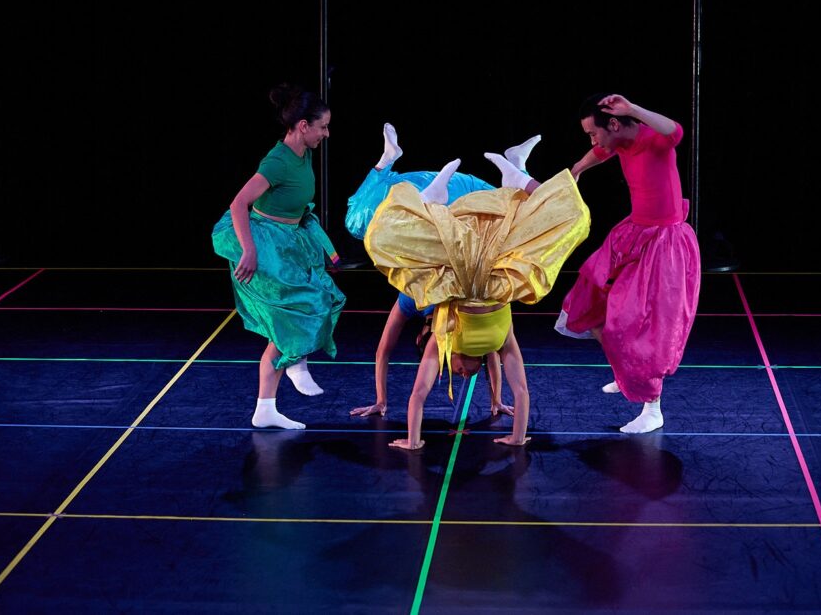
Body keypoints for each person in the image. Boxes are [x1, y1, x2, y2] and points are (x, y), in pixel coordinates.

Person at [364, 149, 591, 450]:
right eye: (469, 374)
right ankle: (517, 180)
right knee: (566, 218)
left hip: (459, 278)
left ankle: (430, 203)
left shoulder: (444, 339)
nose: (464, 375)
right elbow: (521, 392)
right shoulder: (499, 342)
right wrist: (516, 435)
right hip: (499, 277)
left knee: (380, 237)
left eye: (457, 373)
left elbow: (419, 394)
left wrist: (414, 439)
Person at [348, 123, 540, 420]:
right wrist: (496, 401)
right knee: (520, 224)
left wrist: (382, 399)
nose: (462, 371)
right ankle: (517, 168)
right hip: (463, 202)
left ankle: (390, 165)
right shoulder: (455, 323)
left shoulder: (410, 301)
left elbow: (383, 350)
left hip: (440, 207)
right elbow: (491, 353)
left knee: (360, 223)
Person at [555, 93, 701, 434]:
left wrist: (634, 108)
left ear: (615, 124)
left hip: (665, 245)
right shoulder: (617, 143)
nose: (592, 139)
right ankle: (626, 374)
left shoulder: (655, 141)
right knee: (591, 297)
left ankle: (653, 408)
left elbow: (676, 130)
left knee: (644, 328)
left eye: (594, 132)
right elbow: (601, 151)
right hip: (634, 233)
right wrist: (577, 169)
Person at [212, 83, 346, 430]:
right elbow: (239, 203)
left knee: (320, 301)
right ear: (304, 126)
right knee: (301, 308)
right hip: (265, 243)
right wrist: (250, 251)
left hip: (291, 238)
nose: (326, 133)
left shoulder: (305, 154)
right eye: (323, 127)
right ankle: (295, 364)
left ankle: (267, 407)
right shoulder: (277, 161)